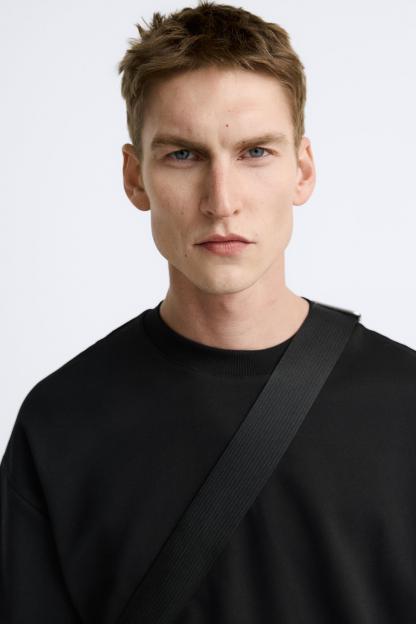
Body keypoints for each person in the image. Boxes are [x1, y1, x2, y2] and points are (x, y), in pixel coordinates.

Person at [1, 2, 415, 622]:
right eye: (183, 155)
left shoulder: (407, 404)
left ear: (302, 170)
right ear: (134, 177)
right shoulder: (60, 423)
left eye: (255, 152)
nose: (221, 202)